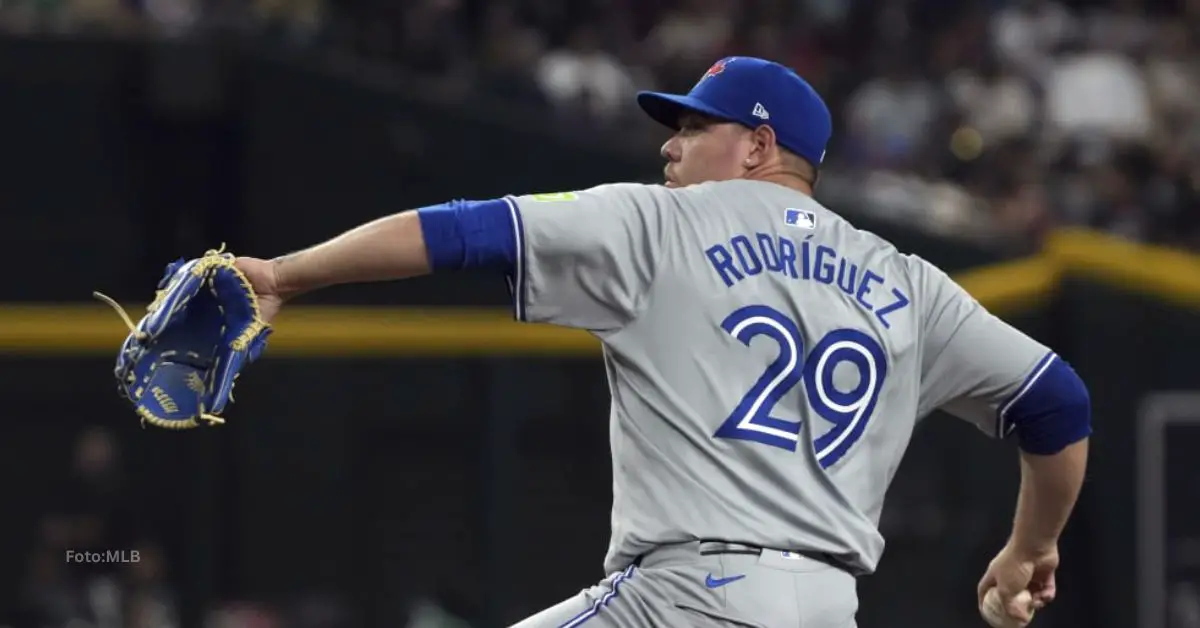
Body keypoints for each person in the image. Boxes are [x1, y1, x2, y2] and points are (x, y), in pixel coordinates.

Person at [232, 56, 1091, 627]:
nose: (669, 145)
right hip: (830, 606)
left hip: (689, 595)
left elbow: (464, 231)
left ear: (758, 145)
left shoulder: (660, 222)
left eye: (693, 127)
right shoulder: (909, 282)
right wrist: (1031, 548)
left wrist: (287, 276)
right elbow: (1058, 404)